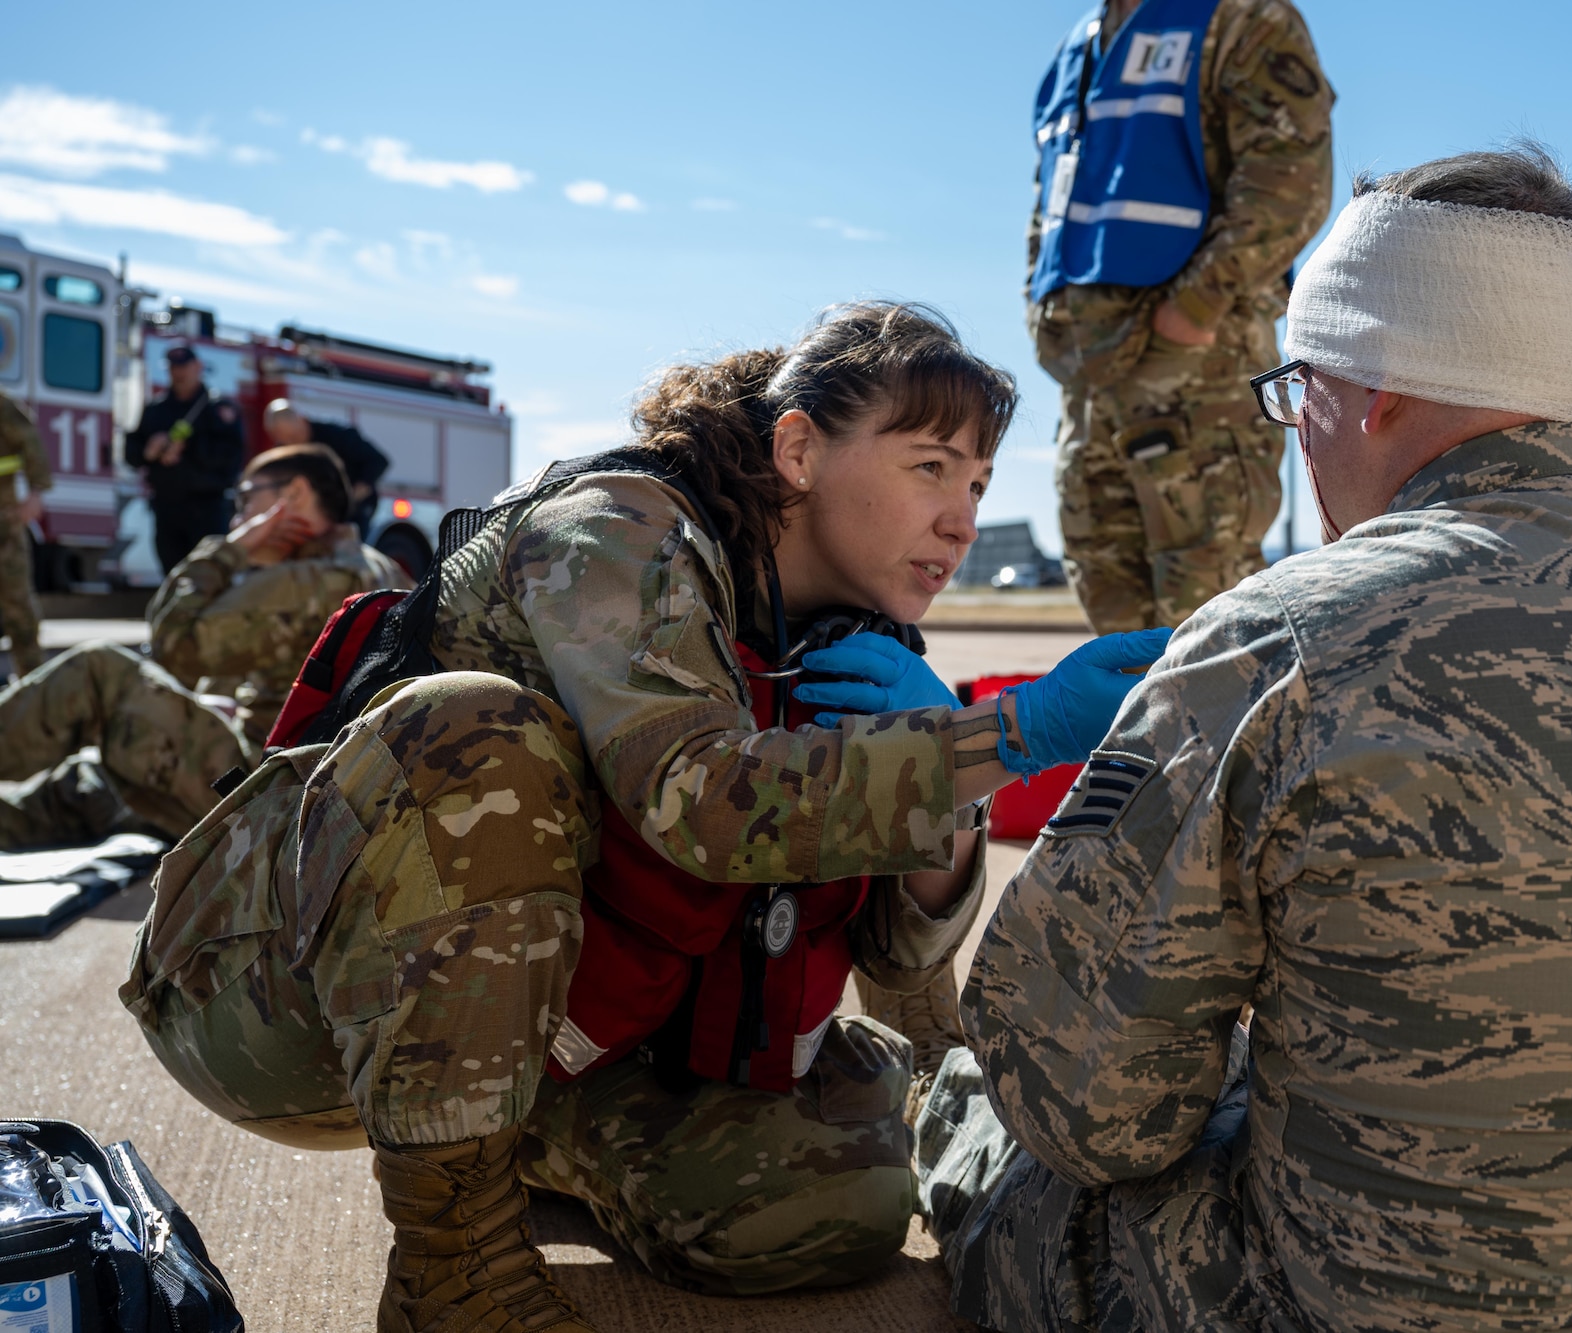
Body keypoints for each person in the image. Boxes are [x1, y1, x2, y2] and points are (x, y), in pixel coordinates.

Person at [917, 146, 1572, 1332]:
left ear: (1369, 394)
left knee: (991, 1115)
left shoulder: (1281, 635)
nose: (1297, 433)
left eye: (1296, 391)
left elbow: (1080, 1101)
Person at [120, 302, 1168, 1333]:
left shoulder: (832, 630)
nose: (961, 519)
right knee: (480, 737)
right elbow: (702, 803)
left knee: (831, 1203)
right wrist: (1010, 732)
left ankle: (523, 1140)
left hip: (547, 1034)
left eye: (978, 483)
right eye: (930, 466)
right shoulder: (615, 528)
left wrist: (948, 781)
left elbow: (897, 968)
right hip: (263, 988)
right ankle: (454, 1273)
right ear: (798, 449)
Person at [1031, 0, 1333, 633]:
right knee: (1110, 616)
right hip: (1087, 378)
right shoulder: (1081, 47)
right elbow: (1053, 199)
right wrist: (1041, 306)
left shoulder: (1239, 19)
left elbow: (1289, 182)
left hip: (1194, 375)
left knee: (1208, 615)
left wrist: (1194, 310)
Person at [0, 443, 410, 849]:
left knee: (100, 673)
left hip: (264, 798)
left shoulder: (310, 580)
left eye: (246, 498)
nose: (238, 517)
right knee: (88, 781)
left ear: (293, 495)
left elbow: (171, 640)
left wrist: (230, 548)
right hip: (299, 792)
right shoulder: (374, 566)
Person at [124, 345, 245, 573]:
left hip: (207, 506)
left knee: (210, 572)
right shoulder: (156, 408)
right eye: (173, 368)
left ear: (198, 367)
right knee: (172, 572)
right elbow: (131, 453)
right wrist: (149, 451)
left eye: (184, 367)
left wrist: (188, 448)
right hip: (167, 506)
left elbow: (232, 457)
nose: (178, 373)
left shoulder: (218, 407)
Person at [263, 399, 391, 533]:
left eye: (294, 436)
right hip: (317, 512)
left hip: (353, 510)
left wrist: (353, 495)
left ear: (302, 420)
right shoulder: (284, 451)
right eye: (285, 440)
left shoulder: (338, 436)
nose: (292, 444)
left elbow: (378, 461)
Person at [0, 388, 51, 676]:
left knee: (16, 602)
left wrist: (36, 492)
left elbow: (33, 445)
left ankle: (32, 681)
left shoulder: (3, 407)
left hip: (3, 522)